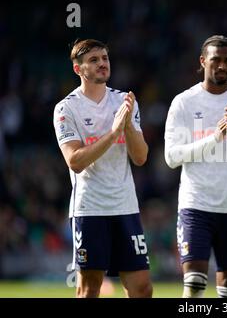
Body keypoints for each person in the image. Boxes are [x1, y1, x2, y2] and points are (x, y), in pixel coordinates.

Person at [164, 35, 227, 298]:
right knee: (195, 285)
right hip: (196, 204)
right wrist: (215, 137)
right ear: (202, 61)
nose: (222, 65)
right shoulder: (184, 102)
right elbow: (172, 157)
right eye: (216, 59)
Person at [53, 39, 152, 298]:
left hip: (126, 206)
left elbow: (140, 157)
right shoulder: (66, 108)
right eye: (94, 60)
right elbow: (75, 160)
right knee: (89, 289)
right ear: (78, 69)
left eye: (105, 58)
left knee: (142, 287)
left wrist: (128, 125)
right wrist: (112, 132)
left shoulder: (124, 101)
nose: (102, 64)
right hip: (91, 208)